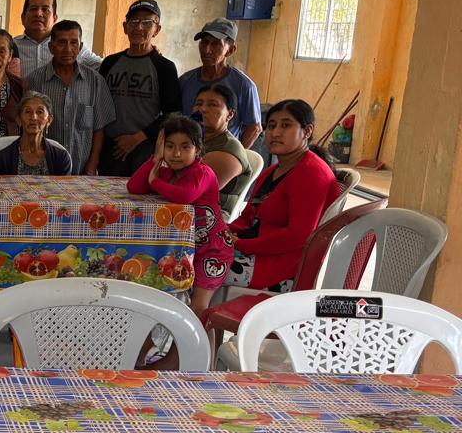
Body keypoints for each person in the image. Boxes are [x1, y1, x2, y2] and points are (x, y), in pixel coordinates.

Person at [227, 99, 341, 292]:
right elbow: (247, 217)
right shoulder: (273, 171)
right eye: (271, 126)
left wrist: (243, 244)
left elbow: (298, 235)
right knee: (185, 249)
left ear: (307, 131)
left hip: (279, 269)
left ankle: (196, 309)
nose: (275, 133)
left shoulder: (311, 173)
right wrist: (225, 231)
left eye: (286, 125)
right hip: (255, 253)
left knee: (192, 266)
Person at [127, 116, 233, 315]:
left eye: (185, 147)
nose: (176, 154)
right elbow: (134, 187)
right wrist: (155, 159)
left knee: (198, 308)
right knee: (170, 303)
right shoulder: (167, 173)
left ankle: (203, 337)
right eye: (169, 146)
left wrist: (155, 182)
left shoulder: (203, 172)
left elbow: (185, 195)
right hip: (180, 249)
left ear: (198, 149)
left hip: (212, 250)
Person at [97, 0, 181, 177]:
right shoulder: (110, 63)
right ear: (125, 27)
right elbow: (99, 106)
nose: (139, 27)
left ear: (157, 29)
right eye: (134, 21)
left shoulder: (164, 67)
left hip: (145, 147)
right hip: (110, 149)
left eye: (147, 22)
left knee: (141, 193)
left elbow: (173, 113)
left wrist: (137, 138)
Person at [26, 20, 116, 175]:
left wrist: (92, 164)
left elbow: (99, 128)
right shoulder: (35, 80)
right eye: (61, 42)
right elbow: (27, 126)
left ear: (80, 47)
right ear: (51, 47)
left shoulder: (95, 81)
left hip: (82, 169)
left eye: (74, 43)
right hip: (43, 168)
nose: (68, 49)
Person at [179, 18, 262, 147]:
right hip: (189, 151)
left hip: (223, 150)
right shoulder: (185, 81)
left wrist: (237, 153)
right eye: (204, 42)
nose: (207, 50)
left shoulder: (244, 85)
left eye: (216, 44)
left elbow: (254, 128)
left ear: (231, 50)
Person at [11, 0, 101, 80]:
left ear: (54, 18)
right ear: (23, 17)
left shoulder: (71, 47)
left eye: (45, 9)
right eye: (33, 9)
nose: (38, 14)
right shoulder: (11, 47)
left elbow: (103, 66)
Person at [193, 83, 252, 217]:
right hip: (186, 208)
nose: (202, 109)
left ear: (230, 114)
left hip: (212, 217)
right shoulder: (193, 140)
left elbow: (191, 189)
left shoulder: (228, 150)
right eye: (198, 104)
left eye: (212, 105)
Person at [0, 91, 73, 176]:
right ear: (19, 120)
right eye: (28, 112)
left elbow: (64, 187)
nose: (33, 117)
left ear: (49, 120)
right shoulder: (2, 158)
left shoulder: (61, 158)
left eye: (40, 112)